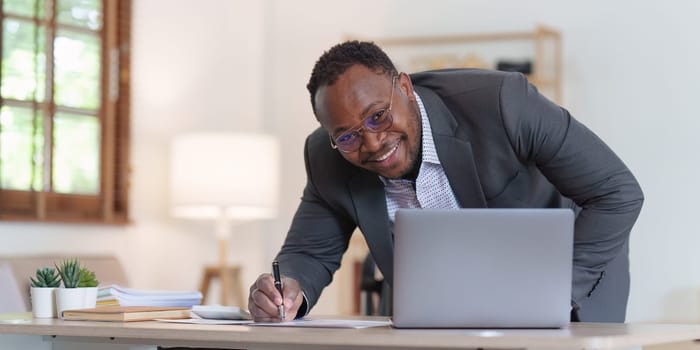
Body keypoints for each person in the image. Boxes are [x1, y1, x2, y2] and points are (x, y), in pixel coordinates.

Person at [248, 41, 644, 323]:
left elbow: (617, 193)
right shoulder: (325, 156)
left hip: (570, 280)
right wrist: (285, 292)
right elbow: (309, 253)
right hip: (442, 308)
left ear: (404, 87)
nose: (372, 143)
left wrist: (555, 294)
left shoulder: (504, 103)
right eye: (348, 136)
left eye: (378, 116)